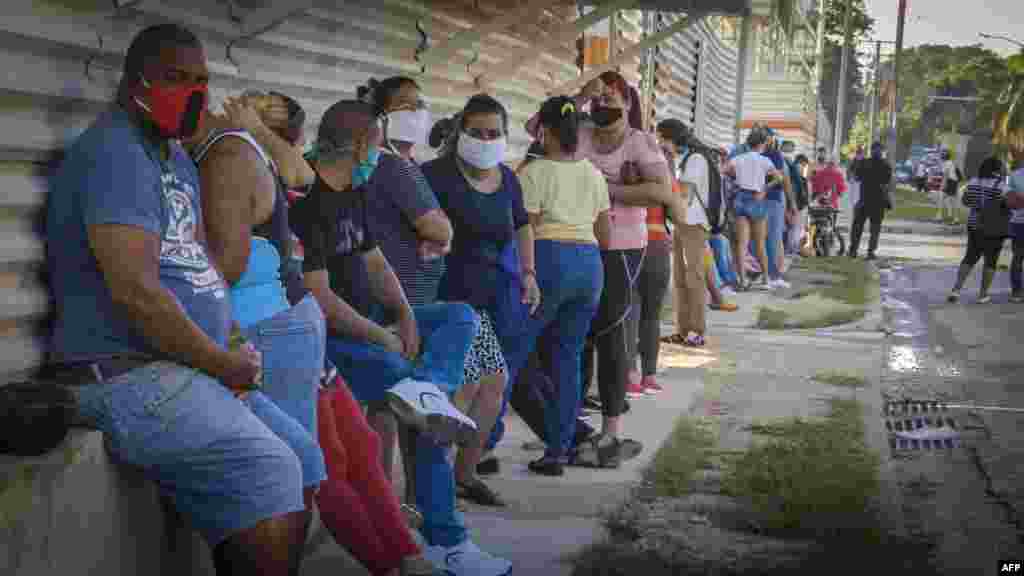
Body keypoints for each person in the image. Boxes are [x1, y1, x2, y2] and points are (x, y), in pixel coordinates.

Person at [43, 24, 311, 575]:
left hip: (184, 366)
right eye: (174, 78)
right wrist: (221, 362)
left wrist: (229, 336)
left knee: (303, 457)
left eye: (201, 81)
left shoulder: (173, 157)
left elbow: (195, 265)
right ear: (134, 79)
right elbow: (136, 292)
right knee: (270, 469)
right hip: (125, 372)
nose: (191, 93)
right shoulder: (115, 154)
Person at [291, 100, 512, 576]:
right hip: (333, 342)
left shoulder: (353, 188)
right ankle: (447, 542)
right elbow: (319, 297)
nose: (381, 155)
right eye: (376, 146)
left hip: (373, 327)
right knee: (428, 419)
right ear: (354, 146)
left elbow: (374, 261)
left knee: (458, 316)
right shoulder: (307, 201)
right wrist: (383, 336)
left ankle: (427, 388)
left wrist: (406, 314)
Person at [360, 77, 508, 508]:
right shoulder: (397, 167)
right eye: (405, 106)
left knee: (481, 382)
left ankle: (436, 489)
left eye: (420, 104)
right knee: (411, 406)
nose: (417, 112)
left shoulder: (406, 166)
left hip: (435, 300)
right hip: (414, 303)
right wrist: (438, 233)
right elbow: (438, 227)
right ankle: (404, 503)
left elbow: (442, 229)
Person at [526, 72, 679, 468]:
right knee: (569, 341)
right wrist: (580, 96)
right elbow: (536, 126)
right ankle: (568, 429)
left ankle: (611, 432)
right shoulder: (583, 131)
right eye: (601, 97)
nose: (604, 103)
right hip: (574, 246)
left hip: (620, 247)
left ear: (629, 104)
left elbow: (660, 192)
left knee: (610, 334)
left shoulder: (640, 142)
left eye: (614, 96)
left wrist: (599, 188)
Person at [421, 95, 539, 468]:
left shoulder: (506, 178)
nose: (486, 140)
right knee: (468, 385)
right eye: (477, 132)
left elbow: (522, 225)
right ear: (460, 132)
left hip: (491, 296)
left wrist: (529, 273)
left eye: (494, 133)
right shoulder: (433, 176)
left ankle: (464, 472)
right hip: (448, 298)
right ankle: (436, 476)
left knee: (492, 384)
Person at [514, 96, 609, 475]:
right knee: (567, 359)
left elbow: (526, 228)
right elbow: (605, 231)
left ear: (546, 134)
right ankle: (558, 450)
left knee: (513, 353)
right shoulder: (594, 173)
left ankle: (480, 447)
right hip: (589, 264)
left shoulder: (534, 173)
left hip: (549, 260)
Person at [658, 119, 712, 348]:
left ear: (673, 137)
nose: (660, 143)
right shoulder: (685, 159)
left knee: (694, 278)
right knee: (680, 280)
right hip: (682, 224)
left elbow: (684, 194)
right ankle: (682, 330)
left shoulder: (697, 159)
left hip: (694, 224)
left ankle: (697, 331)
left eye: (662, 138)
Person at [723, 129, 782, 291]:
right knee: (760, 243)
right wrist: (764, 189)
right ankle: (765, 280)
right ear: (762, 144)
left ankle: (742, 280)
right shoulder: (765, 161)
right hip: (757, 198)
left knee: (742, 243)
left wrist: (734, 180)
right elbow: (779, 178)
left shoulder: (738, 159)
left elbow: (723, 170)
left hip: (740, 198)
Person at [947, 157, 1008, 304]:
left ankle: (956, 290)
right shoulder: (1001, 186)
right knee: (990, 261)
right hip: (994, 228)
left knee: (970, 257)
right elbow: (1007, 205)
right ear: (997, 169)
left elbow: (965, 201)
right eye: (1001, 166)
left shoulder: (973, 182)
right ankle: (983, 294)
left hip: (974, 224)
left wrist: (979, 205)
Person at [847, 142, 893, 260]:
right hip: (878, 202)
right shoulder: (886, 165)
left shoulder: (864, 162)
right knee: (875, 229)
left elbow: (856, 177)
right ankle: (871, 252)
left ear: (871, 150)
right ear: (881, 151)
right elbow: (887, 183)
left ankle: (853, 250)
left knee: (857, 227)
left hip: (864, 200)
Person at [1008, 165, 1024, 303]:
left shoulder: (1014, 175)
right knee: (1017, 257)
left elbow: (1010, 199)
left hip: (1017, 221)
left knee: (1017, 257)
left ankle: (1016, 292)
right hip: (1018, 221)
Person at [938, 149, 962, 225]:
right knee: (950, 200)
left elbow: (946, 175)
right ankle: (953, 218)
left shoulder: (945, 163)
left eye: (942, 154)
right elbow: (957, 174)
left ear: (944, 156)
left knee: (943, 198)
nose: (941, 155)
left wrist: (942, 185)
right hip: (954, 183)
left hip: (950, 182)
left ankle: (941, 217)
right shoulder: (952, 163)